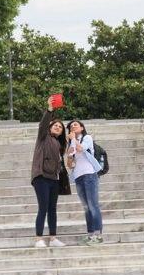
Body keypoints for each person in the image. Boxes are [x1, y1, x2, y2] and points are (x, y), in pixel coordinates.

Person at [30, 97, 67, 248]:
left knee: (52, 209)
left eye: (60, 126)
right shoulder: (43, 137)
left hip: (54, 179)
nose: (58, 127)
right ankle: (38, 238)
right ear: (50, 127)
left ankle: (53, 238)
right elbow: (43, 124)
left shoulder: (59, 144)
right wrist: (50, 110)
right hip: (41, 176)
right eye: (55, 125)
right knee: (43, 207)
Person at [67, 119, 103, 245]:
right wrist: (70, 157)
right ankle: (90, 234)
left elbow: (80, 148)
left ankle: (98, 236)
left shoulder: (87, 138)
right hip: (78, 176)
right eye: (71, 126)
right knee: (86, 207)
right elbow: (70, 164)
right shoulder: (70, 143)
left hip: (89, 175)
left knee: (93, 205)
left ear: (82, 128)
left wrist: (73, 139)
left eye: (75, 125)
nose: (73, 127)